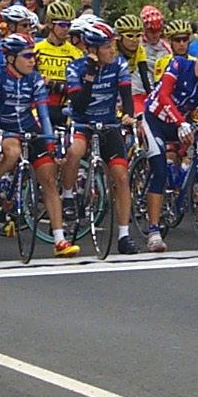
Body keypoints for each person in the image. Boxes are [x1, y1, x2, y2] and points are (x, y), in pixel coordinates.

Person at [0, 32, 77, 257]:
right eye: (26, 56)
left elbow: (43, 115)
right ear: (11, 59)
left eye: (33, 55)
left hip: (27, 125)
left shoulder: (34, 78)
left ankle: (60, 240)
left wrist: (50, 143)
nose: (32, 60)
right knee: (12, 152)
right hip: (4, 126)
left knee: (50, 179)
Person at [141, 39, 198, 251]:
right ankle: (154, 231)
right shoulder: (180, 64)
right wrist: (181, 122)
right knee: (160, 171)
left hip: (180, 123)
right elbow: (163, 95)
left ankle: (195, 185)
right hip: (155, 120)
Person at [60, 21, 138, 253]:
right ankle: (67, 195)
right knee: (75, 151)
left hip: (108, 123)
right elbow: (80, 104)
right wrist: (90, 77)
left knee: (121, 177)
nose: (113, 51)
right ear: (92, 51)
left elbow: (126, 95)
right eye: (107, 47)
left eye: (112, 45)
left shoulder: (120, 64)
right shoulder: (75, 69)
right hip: (82, 122)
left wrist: (128, 115)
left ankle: (124, 235)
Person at [34, 1, 82, 128]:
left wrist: (55, 85)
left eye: (68, 25)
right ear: (50, 24)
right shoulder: (37, 49)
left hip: (65, 107)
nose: (66, 28)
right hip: (39, 106)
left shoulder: (76, 53)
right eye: (61, 24)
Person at [114, 14, 152, 111]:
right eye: (130, 36)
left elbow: (145, 78)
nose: (135, 40)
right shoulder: (112, 49)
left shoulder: (140, 50)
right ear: (119, 37)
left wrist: (152, 98)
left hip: (125, 85)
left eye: (138, 35)